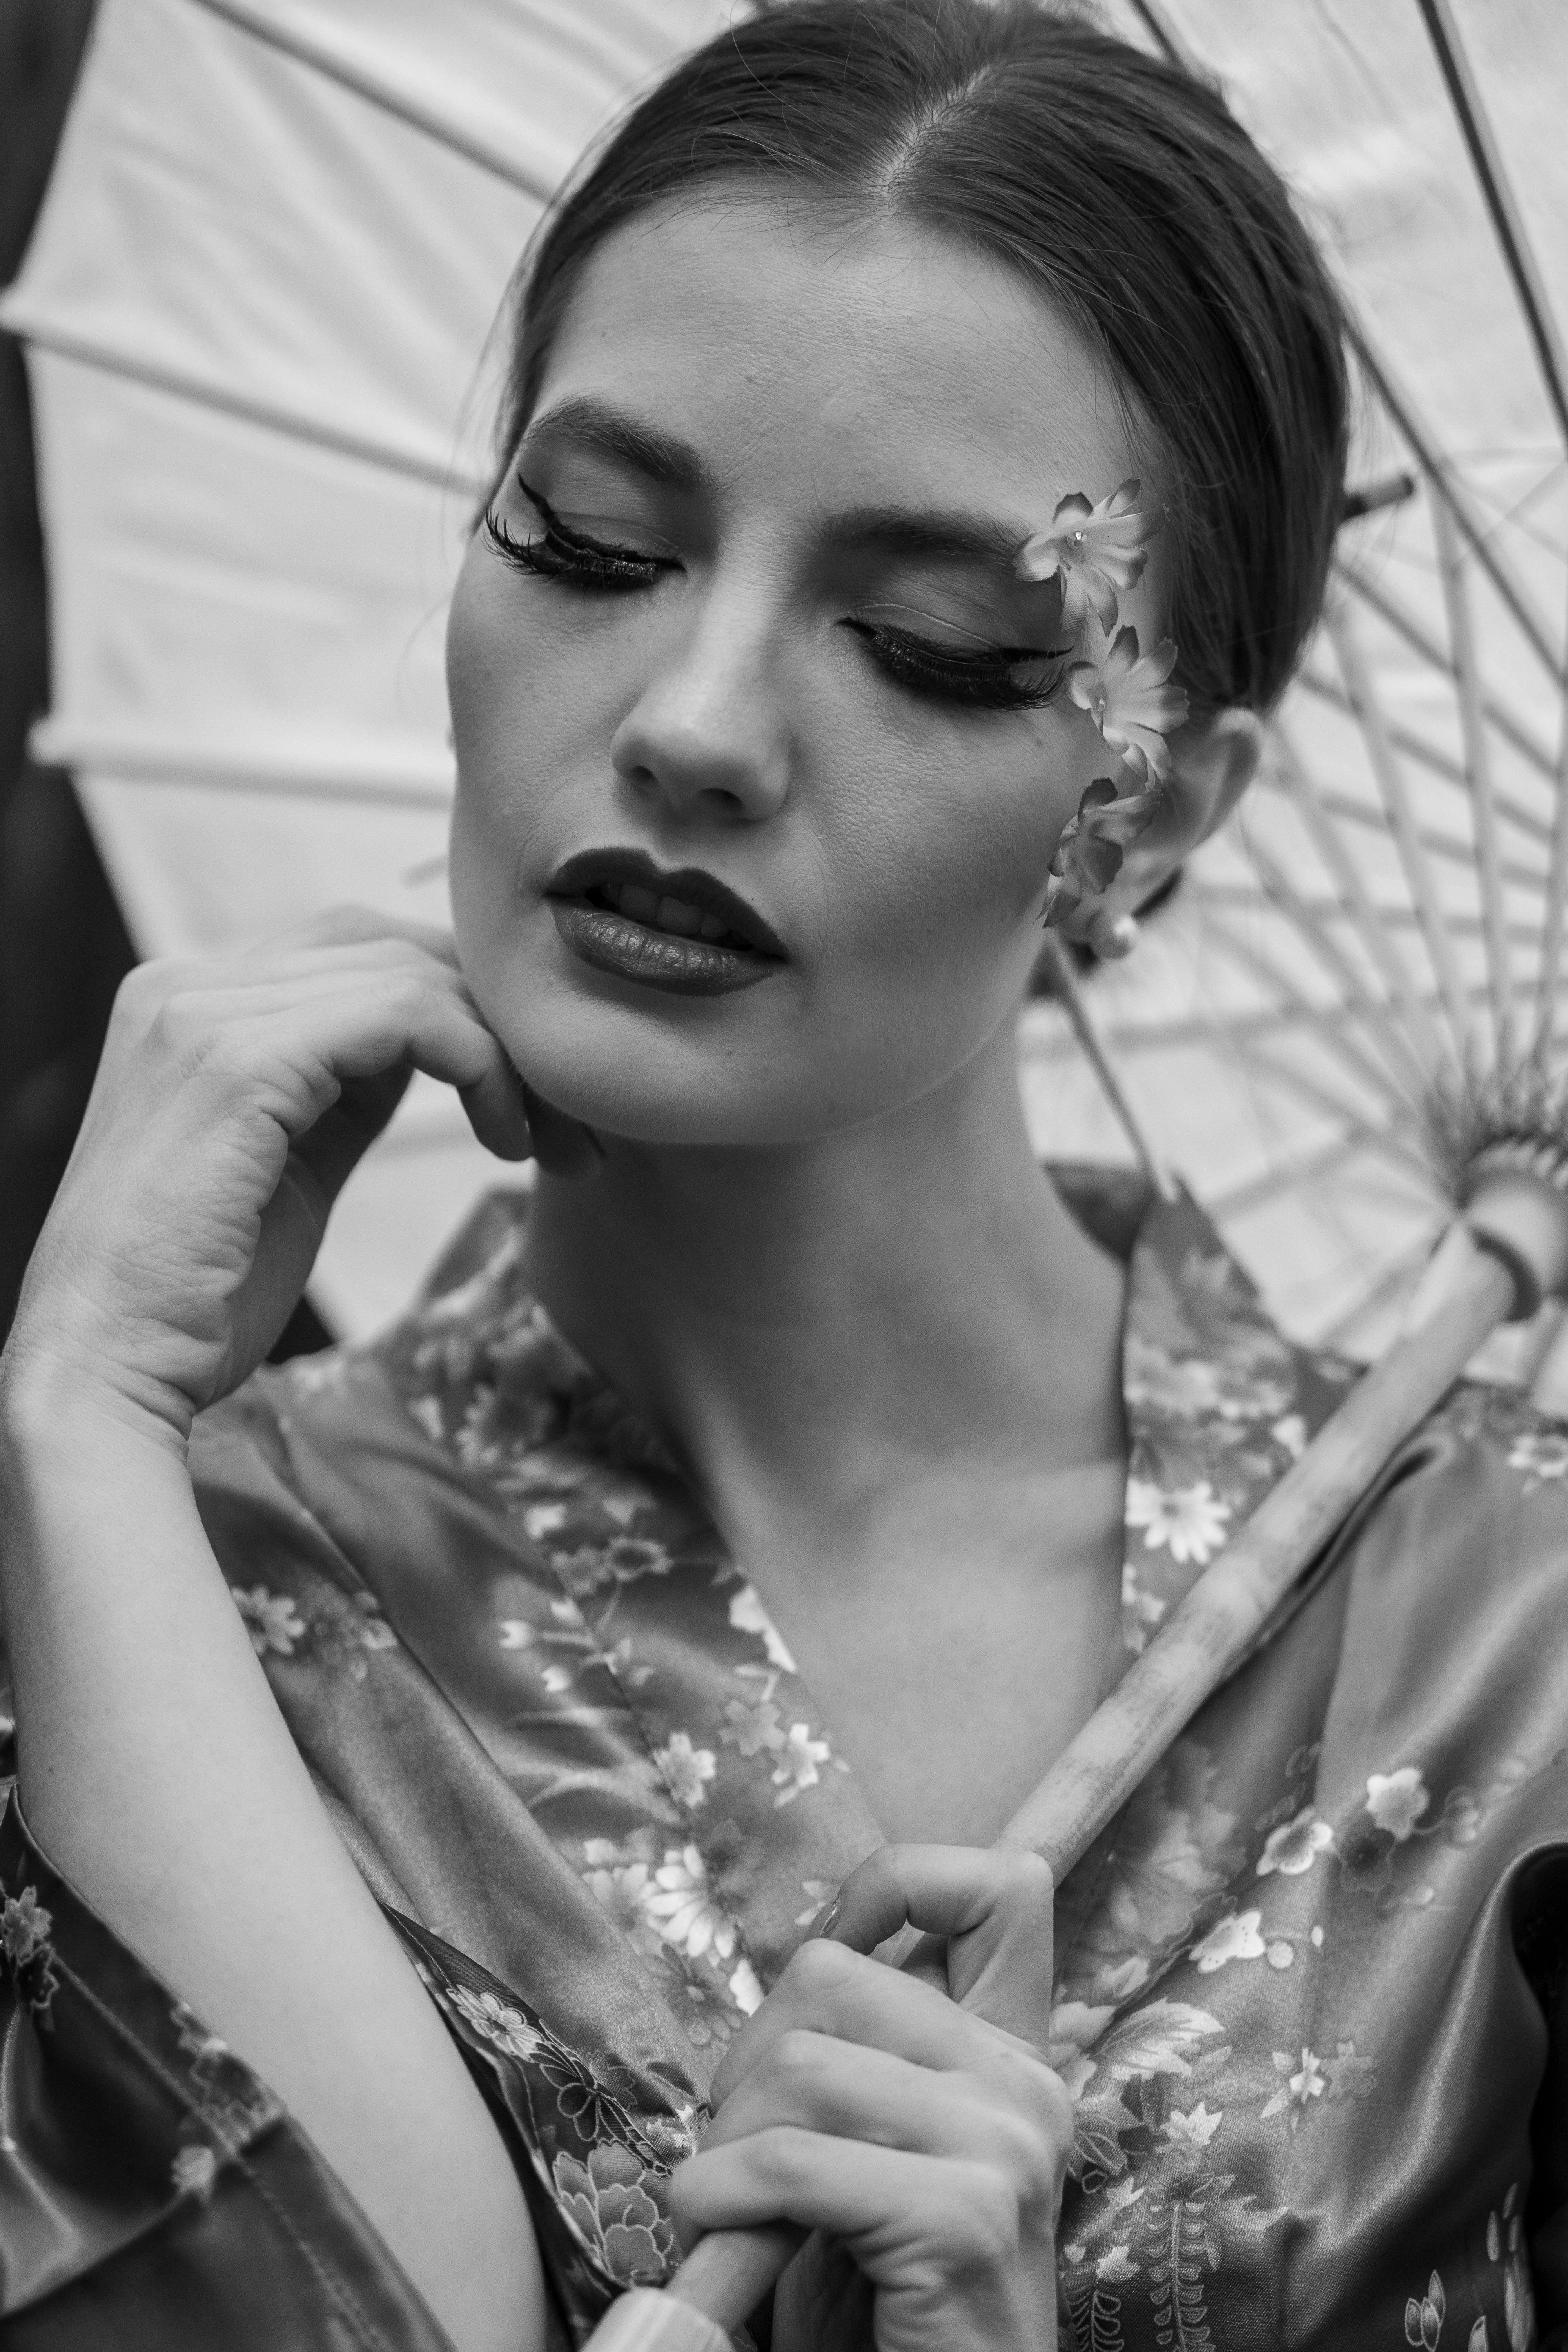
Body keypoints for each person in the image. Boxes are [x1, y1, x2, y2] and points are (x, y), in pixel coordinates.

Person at [0, 3, 1564, 2348]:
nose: (697, 725)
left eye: (937, 648)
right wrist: (78, 1408)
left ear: (1158, 815)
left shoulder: (1512, 1641)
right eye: (590, 538)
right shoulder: (130, 1579)